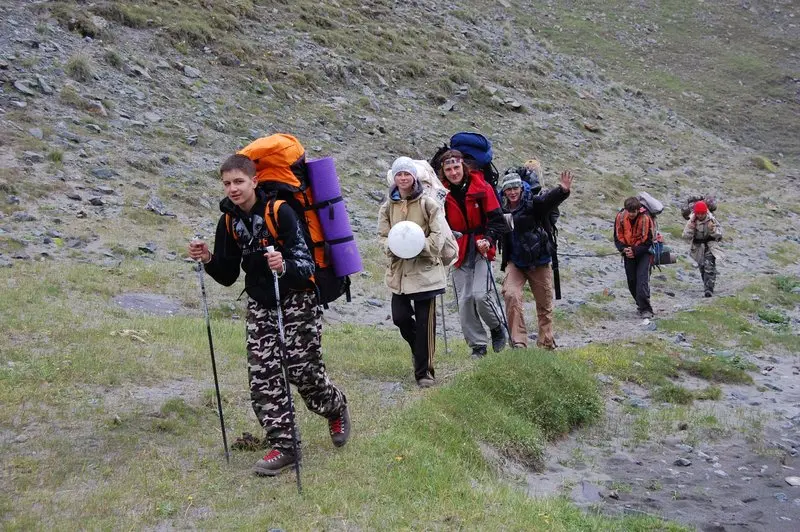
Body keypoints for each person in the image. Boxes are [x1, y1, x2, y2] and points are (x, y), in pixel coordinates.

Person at [187, 154, 350, 477]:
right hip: (261, 302)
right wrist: (207, 258)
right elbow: (227, 273)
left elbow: (306, 266)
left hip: (298, 298)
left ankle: (336, 406)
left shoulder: (281, 212)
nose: (233, 189)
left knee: (304, 372)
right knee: (263, 374)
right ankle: (285, 446)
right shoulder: (229, 221)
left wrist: (284, 265)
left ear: (254, 181)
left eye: (239, 182)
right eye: (227, 183)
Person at [378, 157, 447, 388]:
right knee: (400, 318)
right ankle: (421, 350)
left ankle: (424, 373)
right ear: (394, 178)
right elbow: (382, 236)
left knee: (426, 322)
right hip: (399, 274)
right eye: (399, 174)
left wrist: (419, 247)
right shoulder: (388, 206)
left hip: (426, 273)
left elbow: (439, 237)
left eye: (407, 174)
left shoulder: (428, 204)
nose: (404, 178)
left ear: (414, 176)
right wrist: (394, 247)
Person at [437, 149, 508, 358]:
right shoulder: (441, 193)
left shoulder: (481, 187)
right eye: (448, 169)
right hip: (457, 250)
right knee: (465, 300)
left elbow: (497, 220)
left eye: (456, 167)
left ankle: (496, 327)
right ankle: (478, 345)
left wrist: (489, 239)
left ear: (463, 166)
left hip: (480, 247)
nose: (453, 172)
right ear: (443, 172)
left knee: (480, 294)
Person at [499, 169, 573, 349]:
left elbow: (549, 200)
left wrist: (562, 190)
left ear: (521, 188)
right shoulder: (501, 208)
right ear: (504, 191)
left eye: (515, 188)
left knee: (544, 303)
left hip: (539, 261)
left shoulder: (533, 203)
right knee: (511, 294)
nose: (513, 192)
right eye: (508, 189)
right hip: (515, 262)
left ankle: (546, 342)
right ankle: (518, 342)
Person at [614, 197, 655, 318]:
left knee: (642, 281)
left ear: (638, 210)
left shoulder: (646, 219)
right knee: (632, 281)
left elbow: (648, 241)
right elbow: (617, 237)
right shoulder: (620, 218)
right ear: (626, 210)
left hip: (643, 253)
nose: (631, 214)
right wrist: (623, 249)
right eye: (629, 211)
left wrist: (635, 251)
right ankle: (640, 304)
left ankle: (646, 309)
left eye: (634, 212)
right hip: (627, 253)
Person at [682, 200, 722, 297]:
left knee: (709, 265)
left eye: (702, 213)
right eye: (698, 213)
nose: (700, 215)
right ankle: (707, 284)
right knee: (702, 267)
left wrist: (713, 230)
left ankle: (709, 289)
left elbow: (720, 235)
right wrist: (691, 229)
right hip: (698, 247)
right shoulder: (691, 221)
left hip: (710, 245)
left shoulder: (712, 220)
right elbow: (685, 236)